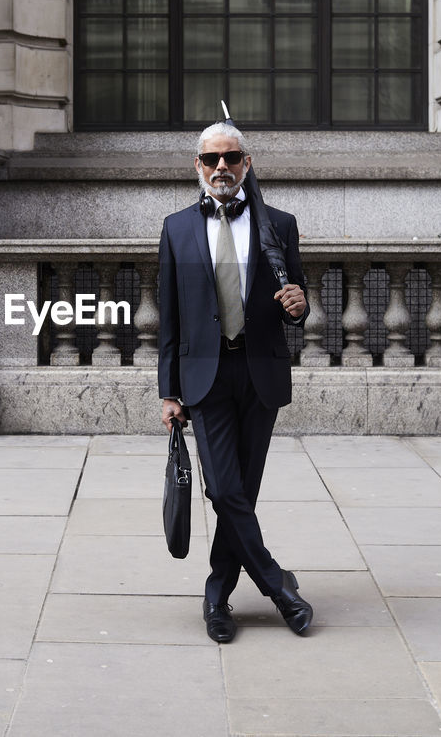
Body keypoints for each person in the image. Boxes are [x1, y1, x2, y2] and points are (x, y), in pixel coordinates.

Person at [157, 118, 313, 643]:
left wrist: (300, 305)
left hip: (259, 371)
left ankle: (218, 596)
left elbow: (296, 298)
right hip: (204, 377)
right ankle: (276, 583)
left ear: (247, 164)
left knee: (241, 491)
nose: (220, 167)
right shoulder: (176, 228)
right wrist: (168, 391)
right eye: (210, 159)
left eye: (231, 158)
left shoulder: (279, 224)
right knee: (222, 488)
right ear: (197, 167)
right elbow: (170, 319)